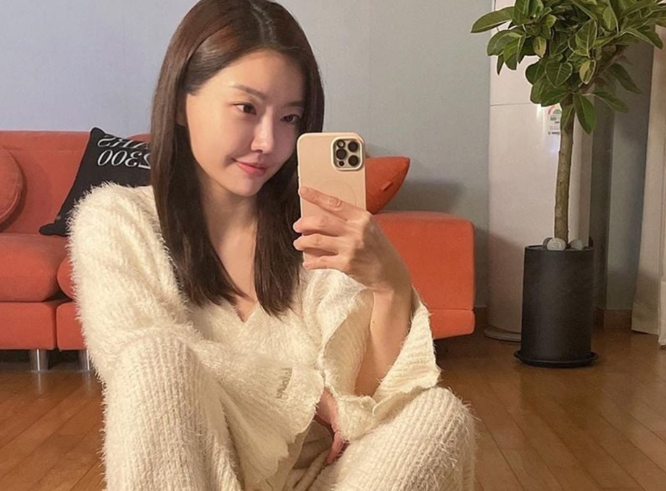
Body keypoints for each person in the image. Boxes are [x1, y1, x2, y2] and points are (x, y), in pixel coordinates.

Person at [68, 0, 477, 489]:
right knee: (155, 357)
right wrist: (301, 394)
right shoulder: (116, 218)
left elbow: (358, 410)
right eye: (247, 108)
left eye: (290, 118)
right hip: (198, 476)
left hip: (321, 476)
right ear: (180, 102)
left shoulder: (315, 234)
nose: (268, 142)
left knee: (440, 413)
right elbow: (135, 355)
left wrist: (390, 284)